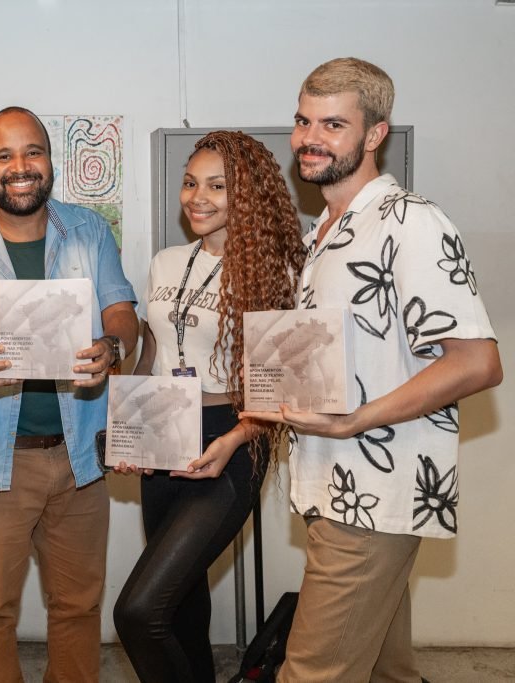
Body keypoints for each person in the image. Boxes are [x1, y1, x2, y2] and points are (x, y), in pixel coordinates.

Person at [241, 57, 502, 682]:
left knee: (308, 675)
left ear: (375, 134)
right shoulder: (323, 233)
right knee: (389, 673)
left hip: (373, 496)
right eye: (303, 121)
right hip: (333, 488)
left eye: (333, 124)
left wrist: (358, 420)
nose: (310, 138)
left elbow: (477, 360)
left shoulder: (410, 222)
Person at [0, 106, 138, 682]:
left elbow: (122, 310)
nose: (20, 167)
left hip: (79, 459)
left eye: (31, 153)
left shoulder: (90, 230)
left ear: (50, 160)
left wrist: (113, 348)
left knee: (78, 607)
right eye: (4, 155)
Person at [112, 130, 306, 682]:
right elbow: (154, 348)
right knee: (179, 611)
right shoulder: (168, 261)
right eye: (191, 183)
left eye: (218, 186)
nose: (198, 196)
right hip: (164, 428)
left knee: (139, 610)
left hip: (231, 436)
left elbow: (279, 387)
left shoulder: (279, 271)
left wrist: (235, 438)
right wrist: (134, 427)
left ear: (247, 193)